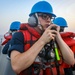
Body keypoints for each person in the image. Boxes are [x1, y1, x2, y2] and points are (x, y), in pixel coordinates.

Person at [8, 1, 75, 75]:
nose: (48, 20)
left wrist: (58, 37)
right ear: (33, 19)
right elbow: (16, 67)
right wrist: (42, 41)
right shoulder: (19, 36)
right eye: (44, 16)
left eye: (50, 17)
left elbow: (71, 61)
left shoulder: (53, 36)